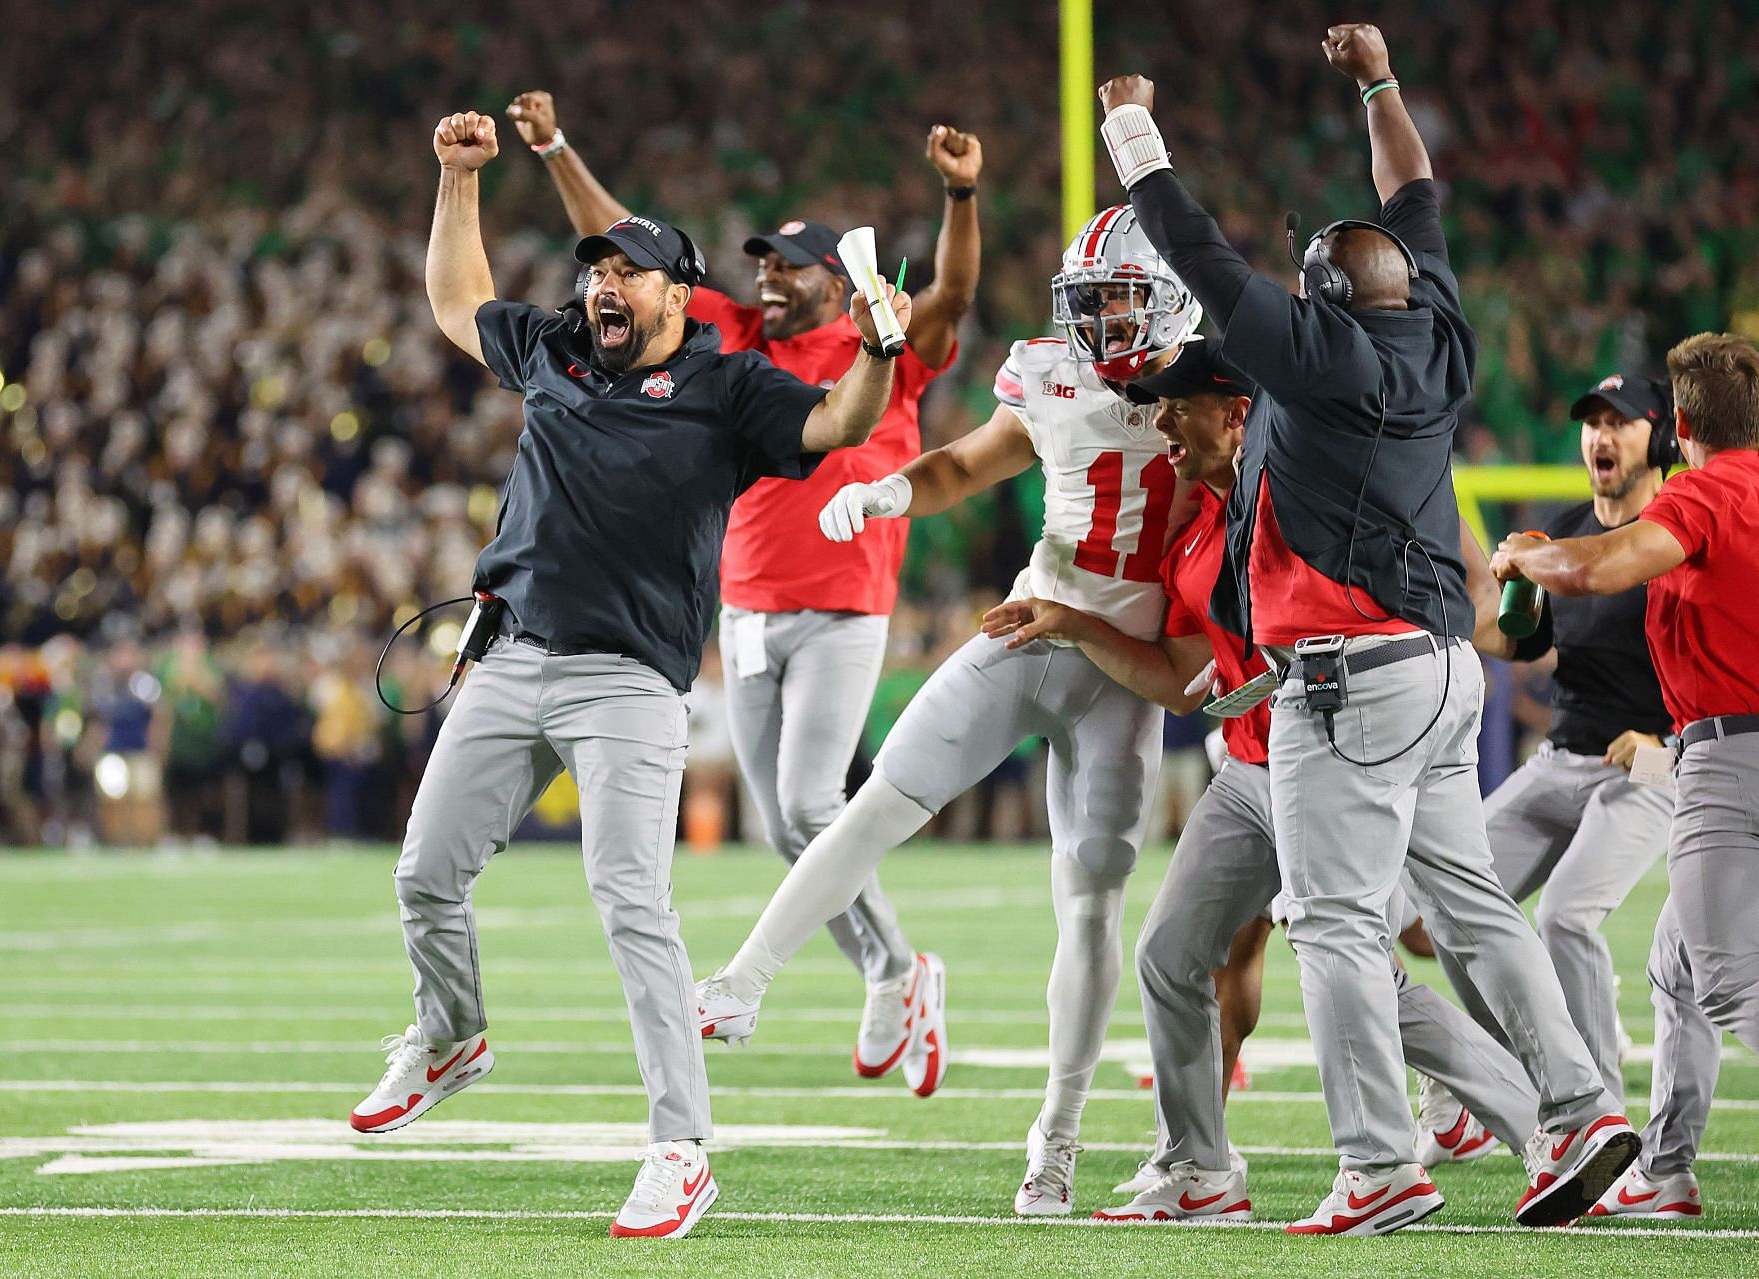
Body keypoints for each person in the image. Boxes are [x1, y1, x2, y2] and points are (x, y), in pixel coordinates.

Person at [1097, 24, 1634, 1233]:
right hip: (1443, 672)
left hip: (1351, 679)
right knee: (1474, 909)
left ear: (1323, 299)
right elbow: (1415, 191)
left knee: (1334, 923)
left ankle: (1380, 1163)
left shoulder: (1319, 354)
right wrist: (1381, 81)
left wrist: (1133, 132)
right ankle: (1583, 1106)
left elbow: (1200, 250)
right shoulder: (1438, 334)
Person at [351, 110, 909, 1241]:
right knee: (424, 875)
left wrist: (880, 349)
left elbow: (842, 425)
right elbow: (456, 303)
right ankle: (451, 1035)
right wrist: (456, 177)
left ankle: (680, 1147)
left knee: (630, 901)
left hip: (628, 681)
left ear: (676, 295)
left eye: (626, 271)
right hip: (511, 654)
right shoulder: (556, 347)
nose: (603, 283)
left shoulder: (730, 385)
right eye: (597, 268)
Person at [695, 203, 1206, 1215]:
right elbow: (970, 462)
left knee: (1091, 898)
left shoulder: (1217, 385)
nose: (1101, 321)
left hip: (1130, 664)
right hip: (1028, 626)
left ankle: (1055, 1134)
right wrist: (886, 493)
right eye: (1090, 301)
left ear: (1171, 299)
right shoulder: (1053, 372)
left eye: (1120, 299)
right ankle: (745, 977)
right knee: (881, 798)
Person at [983, 338, 1540, 1224]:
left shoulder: (1307, 479)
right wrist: (1071, 623)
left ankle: (1543, 1125)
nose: (1159, 420)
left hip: (1336, 744)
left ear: (1237, 410)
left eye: (1178, 404)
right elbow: (1179, 674)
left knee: (1372, 958)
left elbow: (1404, 586)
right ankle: (1200, 1167)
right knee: (1171, 952)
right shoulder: (1195, 527)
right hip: (1248, 761)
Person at [508, 91, 981, 1078]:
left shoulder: (877, 341)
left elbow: (954, 299)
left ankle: (883, 971)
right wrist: (557, 145)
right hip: (747, 609)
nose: (766, 276)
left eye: (786, 265)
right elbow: (618, 243)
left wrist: (959, 197)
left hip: (845, 606)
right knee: (779, 824)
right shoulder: (727, 334)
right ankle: (896, 968)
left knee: (811, 803)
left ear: (830, 278)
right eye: (760, 261)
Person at [1491, 332, 1759, 1223]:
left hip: (1723, 756)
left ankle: (1616, 1135)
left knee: (1722, 977)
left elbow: (1597, 567)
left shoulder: (1704, 495)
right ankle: (1666, 1167)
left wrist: (1523, 557)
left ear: (1677, 428)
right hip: (1704, 751)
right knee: (1678, 966)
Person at [1445, 374, 1678, 1114]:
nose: (1601, 437)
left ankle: (1601, 1118)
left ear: (1663, 437)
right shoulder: (1568, 522)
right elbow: (1523, 640)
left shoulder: (1680, 528)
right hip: (1563, 760)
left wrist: (1666, 737)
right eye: (1592, 423)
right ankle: (1507, 1077)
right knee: (1448, 909)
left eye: (1622, 422)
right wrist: (1454, 599)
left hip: (1651, 763)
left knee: (1566, 914)